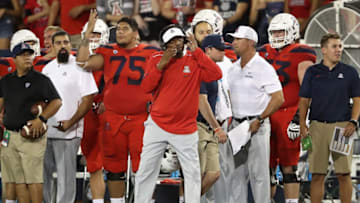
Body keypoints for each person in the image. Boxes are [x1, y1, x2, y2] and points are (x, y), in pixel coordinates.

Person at [77, 11, 160, 203]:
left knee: (144, 168)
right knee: (114, 169)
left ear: (135, 33)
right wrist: (88, 32)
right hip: (113, 119)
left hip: (141, 118)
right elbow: (83, 62)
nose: (120, 32)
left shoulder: (150, 52)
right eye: (118, 29)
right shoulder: (108, 51)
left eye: (125, 29)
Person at [134, 24, 222, 203]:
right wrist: (161, 65)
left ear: (185, 40)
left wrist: (198, 52)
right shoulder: (156, 59)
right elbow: (145, 88)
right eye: (172, 41)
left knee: (193, 173)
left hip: (186, 128)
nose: (177, 45)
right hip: (157, 124)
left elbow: (216, 74)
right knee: (145, 170)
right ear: (164, 45)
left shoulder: (195, 59)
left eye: (180, 40)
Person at [257, 13, 316, 203]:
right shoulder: (263, 51)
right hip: (266, 114)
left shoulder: (302, 52)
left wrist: (300, 117)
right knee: (266, 165)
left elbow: (308, 89)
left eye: (281, 32)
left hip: (288, 112)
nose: (277, 36)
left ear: (292, 32)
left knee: (289, 165)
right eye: (274, 32)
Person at [299, 33, 360, 203]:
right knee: (317, 174)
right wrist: (303, 124)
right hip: (317, 127)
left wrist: (353, 121)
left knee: (344, 173)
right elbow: (304, 100)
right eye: (334, 46)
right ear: (324, 50)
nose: (339, 50)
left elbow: (357, 100)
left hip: (342, 128)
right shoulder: (312, 72)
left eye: (340, 46)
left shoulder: (350, 72)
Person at [226, 25, 284, 203]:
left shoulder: (263, 67)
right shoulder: (232, 68)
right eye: (233, 39)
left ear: (250, 42)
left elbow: (278, 98)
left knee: (259, 175)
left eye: (238, 39)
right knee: (236, 175)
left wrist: (260, 118)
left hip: (257, 125)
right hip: (237, 126)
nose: (233, 42)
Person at [0, 42, 62, 203]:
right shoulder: (5, 81)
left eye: (30, 54)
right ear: (14, 58)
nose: (28, 57)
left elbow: (56, 102)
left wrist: (41, 119)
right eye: (23, 54)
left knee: (34, 179)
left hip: (31, 136)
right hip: (9, 135)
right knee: (16, 180)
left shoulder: (40, 80)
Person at [42, 30, 98, 203]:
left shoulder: (80, 66)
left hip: (69, 132)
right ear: (52, 45)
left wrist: (71, 123)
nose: (63, 46)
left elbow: (88, 99)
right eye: (58, 43)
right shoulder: (47, 68)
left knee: (66, 181)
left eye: (66, 42)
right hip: (47, 132)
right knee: (44, 179)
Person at [80, 18, 108, 203]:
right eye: (91, 34)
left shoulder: (111, 57)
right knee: (92, 164)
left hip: (102, 115)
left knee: (100, 163)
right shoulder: (76, 59)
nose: (93, 38)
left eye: (97, 34)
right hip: (81, 116)